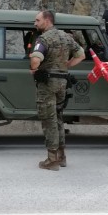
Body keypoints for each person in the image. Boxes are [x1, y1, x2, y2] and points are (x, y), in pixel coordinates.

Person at [29, 10, 85, 170]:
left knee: (49, 120)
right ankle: (62, 157)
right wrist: (66, 66)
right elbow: (81, 55)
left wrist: (34, 68)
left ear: (47, 20)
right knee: (58, 118)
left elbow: (35, 60)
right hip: (62, 82)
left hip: (48, 84)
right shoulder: (66, 37)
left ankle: (52, 160)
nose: (35, 23)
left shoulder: (44, 39)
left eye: (37, 20)